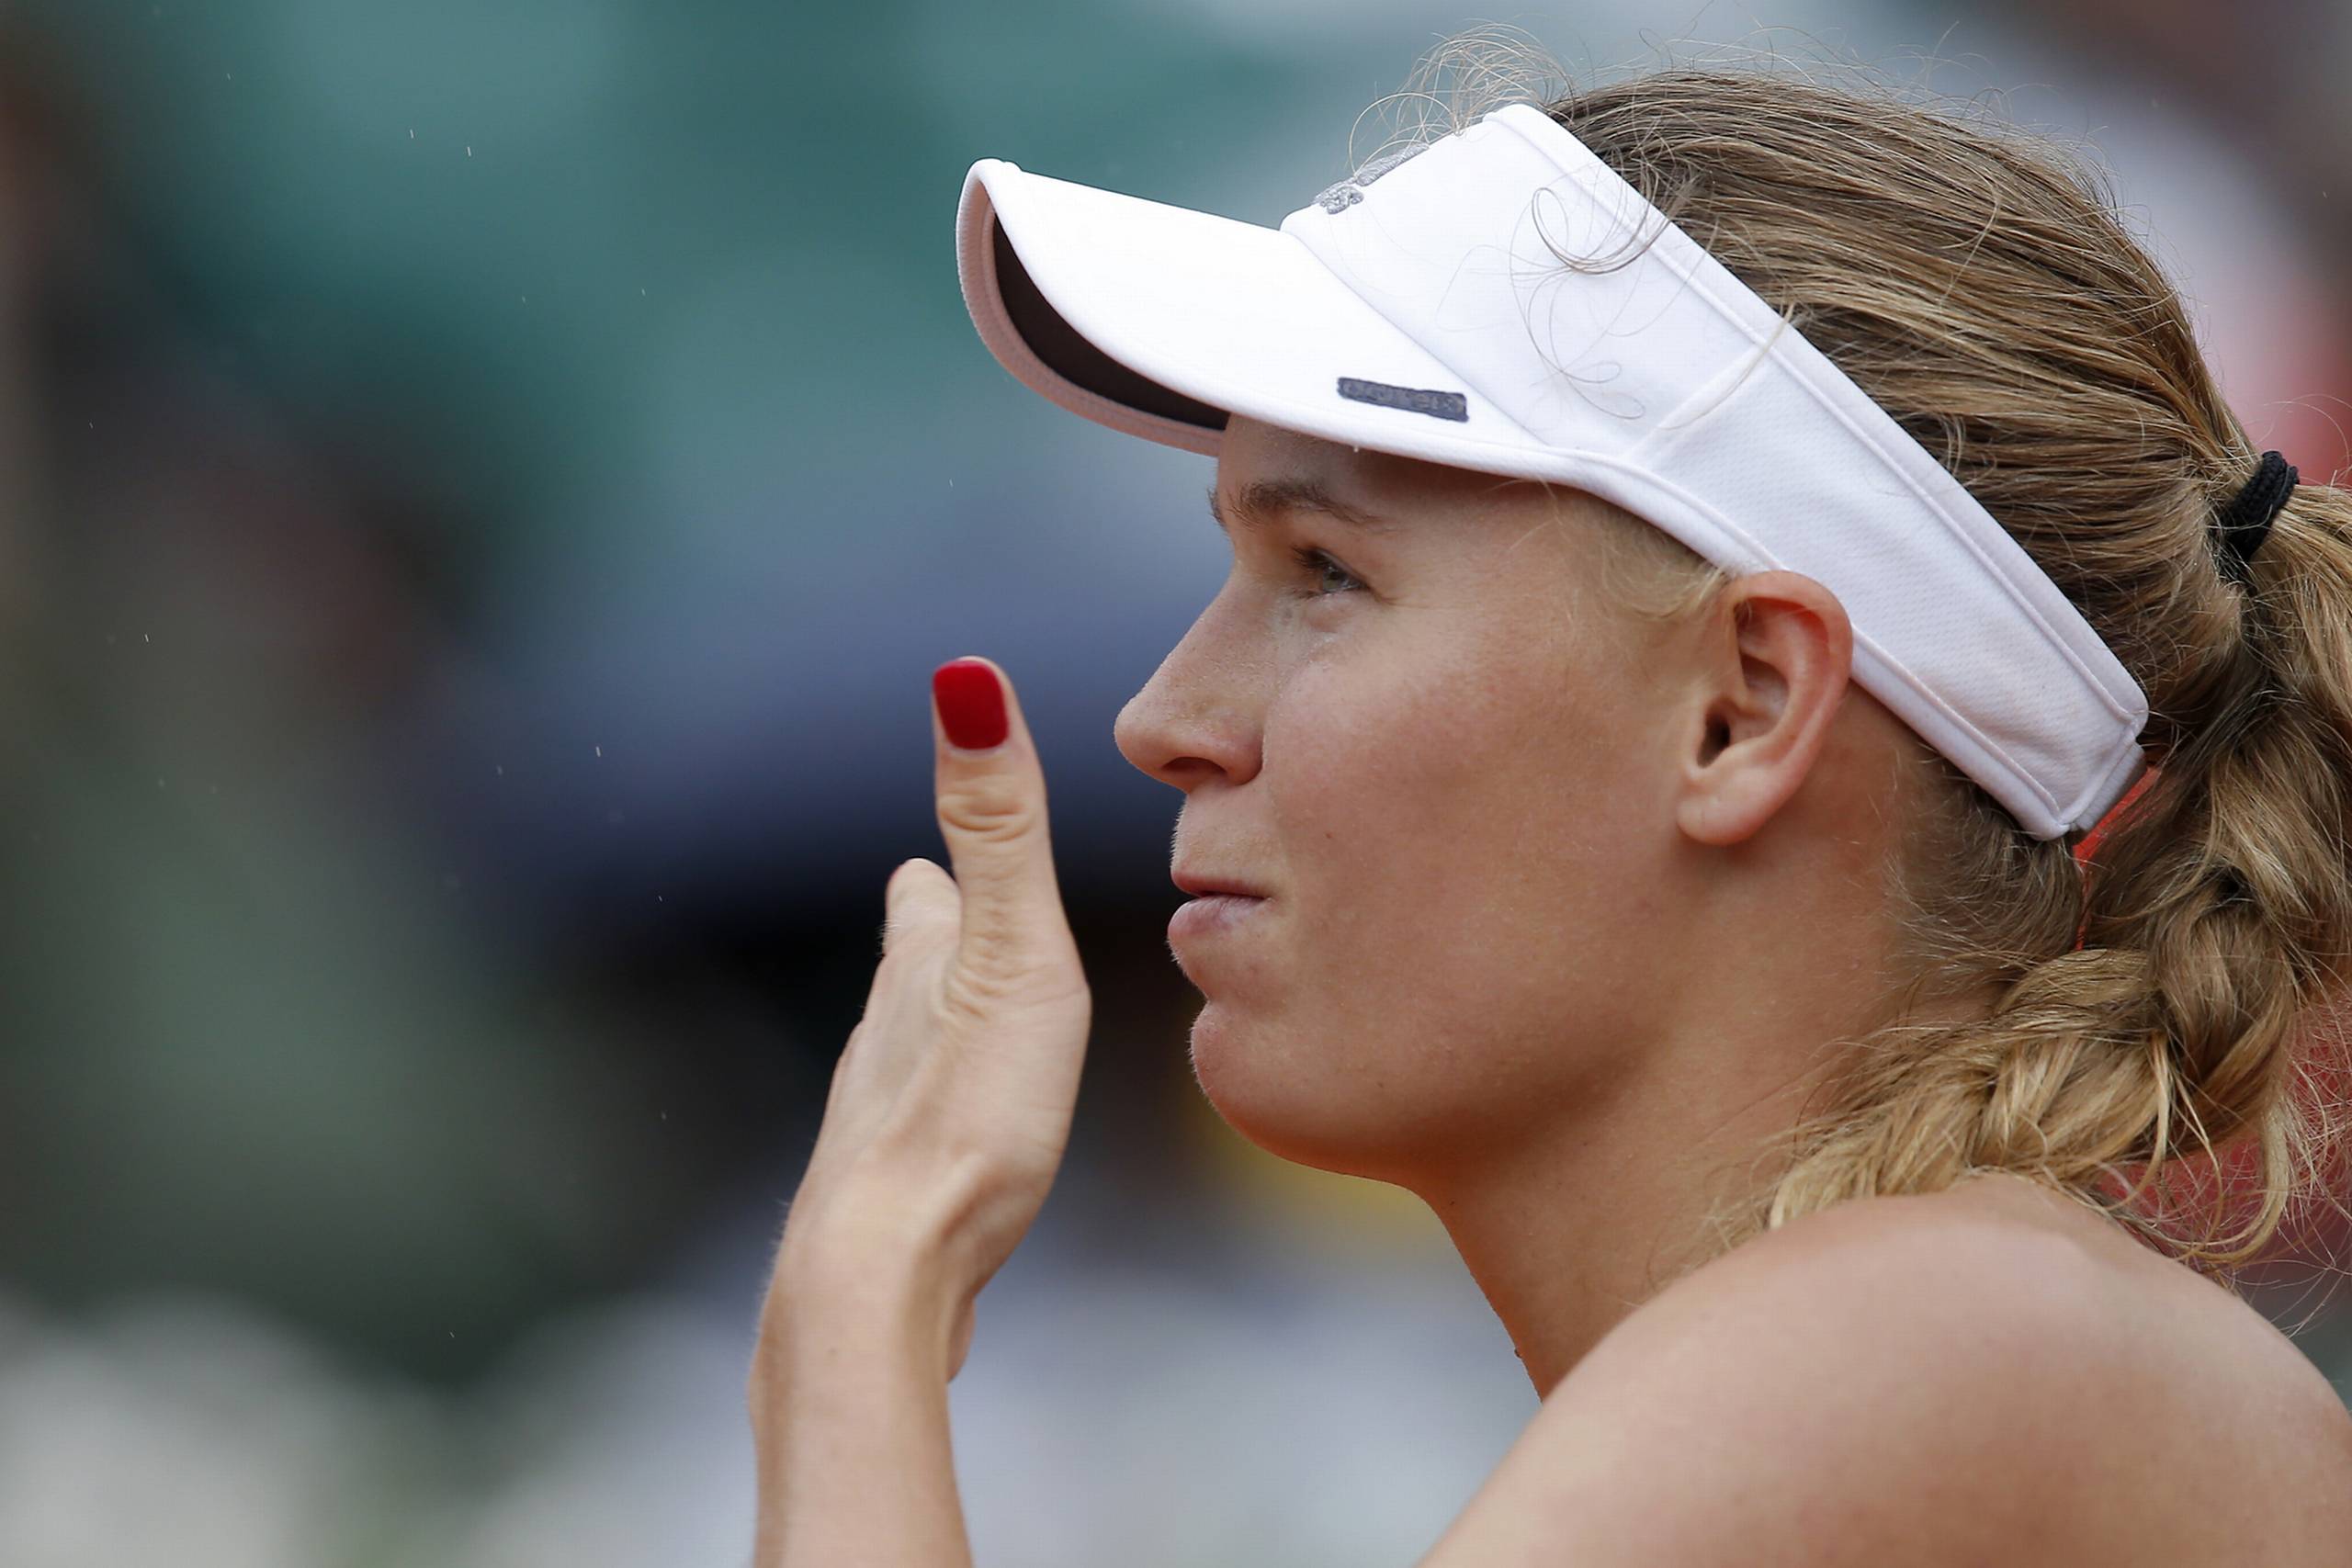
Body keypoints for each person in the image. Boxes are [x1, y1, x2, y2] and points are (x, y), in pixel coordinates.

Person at [746, 57, 2352, 1567]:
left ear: (1745, 706)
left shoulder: (1947, 1333)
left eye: (1325, 574)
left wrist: (864, 1294)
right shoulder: (1964, 1336)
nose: (1162, 721)